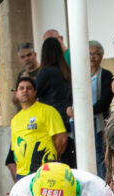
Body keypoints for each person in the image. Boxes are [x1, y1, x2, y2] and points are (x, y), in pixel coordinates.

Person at [10, 77, 68, 180]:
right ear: (16, 93)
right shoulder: (14, 120)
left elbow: (62, 139)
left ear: (35, 92)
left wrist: (51, 161)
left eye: (29, 88)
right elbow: (15, 147)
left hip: (45, 171)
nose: (25, 91)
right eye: (21, 88)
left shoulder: (48, 111)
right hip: (22, 174)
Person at [36, 37, 75, 168]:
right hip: (67, 120)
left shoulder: (45, 72)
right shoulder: (67, 71)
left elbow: (34, 92)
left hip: (52, 123)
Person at [90, 40, 114, 178]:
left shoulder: (105, 75)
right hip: (77, 121)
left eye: (95, 54)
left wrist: (85, 113)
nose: (92, 57)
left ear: (101, 56)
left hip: (97, 122)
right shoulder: (77, 75)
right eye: (89, 54)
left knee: (100, 157)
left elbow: (105, 100)